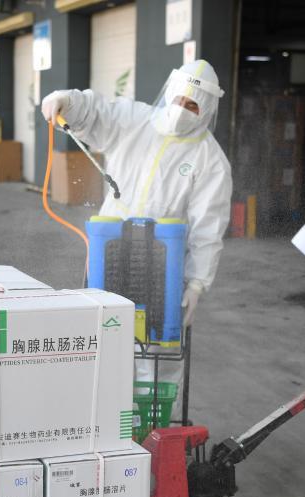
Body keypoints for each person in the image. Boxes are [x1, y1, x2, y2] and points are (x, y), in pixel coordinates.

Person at [41, 59, 232, 392]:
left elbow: (208, 228)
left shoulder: (209, 159)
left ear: (207, 110)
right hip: (111, 251)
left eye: (192, 105)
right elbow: (97, 112)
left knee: (155, 355)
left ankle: (152, 419)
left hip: (163, 264)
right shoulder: (136, 120)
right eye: (179, 99)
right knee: (105, 338)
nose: (182, 110)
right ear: (170, 93)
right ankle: (105, 414)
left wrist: (196, 284)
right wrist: (68, 102)